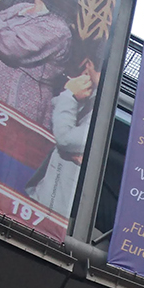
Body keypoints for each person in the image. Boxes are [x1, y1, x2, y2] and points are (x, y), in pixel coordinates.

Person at [27, 58, 98, 217]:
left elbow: (65, 139)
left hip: (60, 214)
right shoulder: (90, 100)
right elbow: (54, 123)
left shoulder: (106, 114)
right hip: (41, 199)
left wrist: (70, 97)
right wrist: (73, 98)